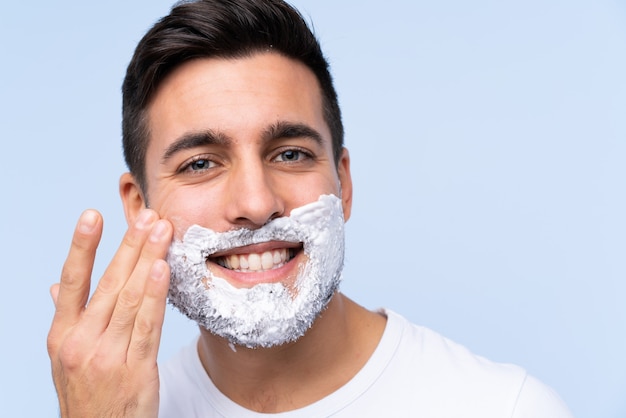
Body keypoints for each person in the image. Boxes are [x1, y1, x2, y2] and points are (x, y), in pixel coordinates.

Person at [47, 1, 574, 417]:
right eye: (201, 164)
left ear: (343, 182)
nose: (256, 204)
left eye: (291, 154)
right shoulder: (111, 412)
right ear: (141, 209)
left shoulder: (507, 409)